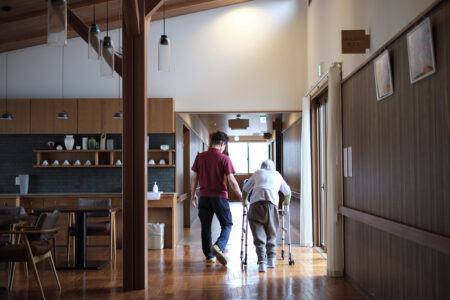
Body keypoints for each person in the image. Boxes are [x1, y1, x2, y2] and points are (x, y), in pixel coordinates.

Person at [191, 131, 242, 265]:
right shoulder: (224, 158)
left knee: (205, 227)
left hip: (204, 197)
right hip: (219, 197)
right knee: (227, 223)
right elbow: (231, 180)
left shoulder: (200, 157)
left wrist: (193, 195)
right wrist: (241, 197)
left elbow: (195, 178)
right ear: (222, 144)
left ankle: (209, 256)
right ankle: (219, 246)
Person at [242, 159, 291, 272]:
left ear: (262, 167)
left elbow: (245, 190)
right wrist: (285, 203)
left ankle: (261, 263)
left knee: (259, 237)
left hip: (255, 207)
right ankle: (271, 260)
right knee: (271, 234)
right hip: (272, 208)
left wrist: (244, 202)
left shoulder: (258, 173)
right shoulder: (277, 175)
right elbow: (288, 192)